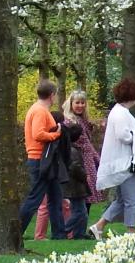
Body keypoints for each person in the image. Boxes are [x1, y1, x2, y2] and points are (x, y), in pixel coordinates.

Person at [91, 78, 135, 239]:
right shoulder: (121, 113)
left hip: (122, 162)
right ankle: (131, 232)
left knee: (121, 200)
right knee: (133, 200)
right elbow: (123, 136)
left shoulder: (118, 111)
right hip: (125, 163)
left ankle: (99, 226)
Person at [40, 88, 98, 240]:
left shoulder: (84, 121)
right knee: (79, 203)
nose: (80, 105)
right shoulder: (70, 122)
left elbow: (88, 144)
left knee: (85, 200)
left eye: (83, 103)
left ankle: (78, 232)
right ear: (71, 103)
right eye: (77, 102)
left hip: (85, 161)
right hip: (78, 162)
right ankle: (67, 231)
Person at [18, 80, 66, 237]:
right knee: (35, 198)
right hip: (40, 159)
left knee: (55, 197)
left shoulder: (38, 109)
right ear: (52, 95)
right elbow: (38, 134)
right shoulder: (40, 111)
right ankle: (16, 232)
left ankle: (59, 234)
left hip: (46, 159)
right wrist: (56, 134)